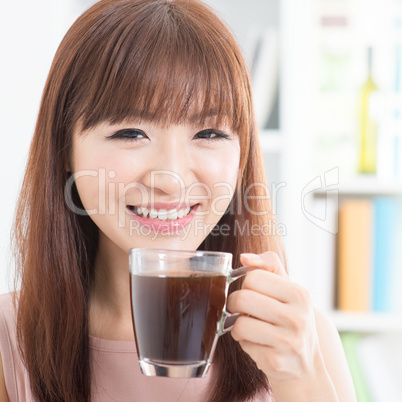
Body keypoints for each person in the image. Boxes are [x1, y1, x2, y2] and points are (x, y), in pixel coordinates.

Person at [0, 0, 356, 401]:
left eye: (208, 134)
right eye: (131, 132)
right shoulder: (9, 339)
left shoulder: (300, 341)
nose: (171, 179)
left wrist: (302, 381)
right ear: (65, 148)